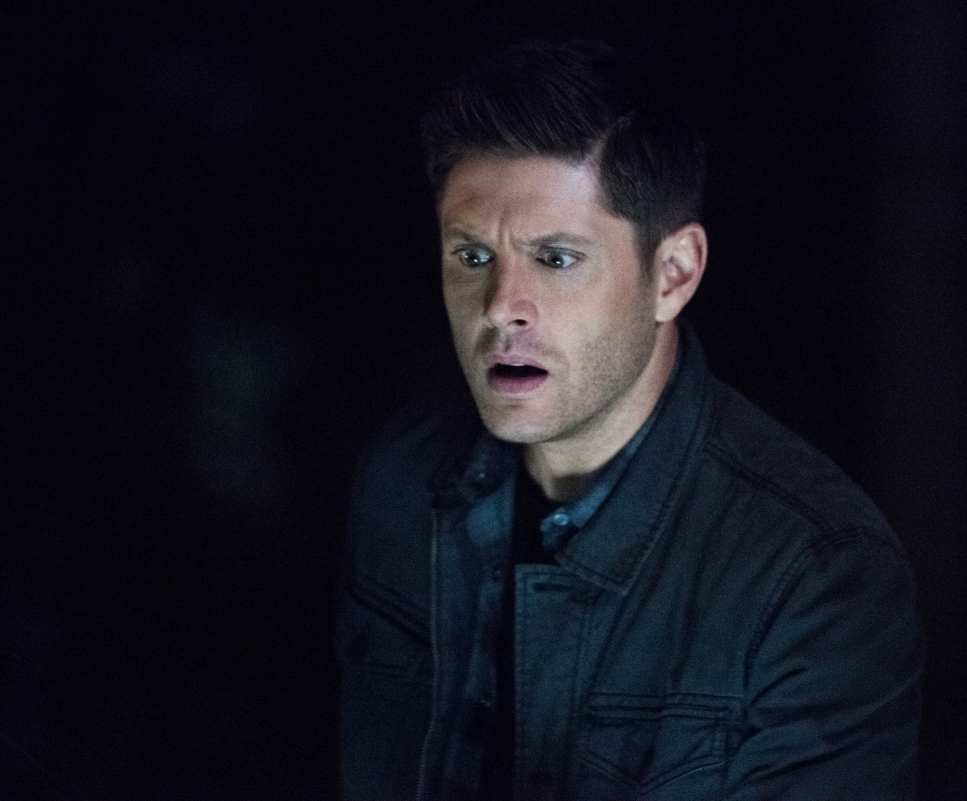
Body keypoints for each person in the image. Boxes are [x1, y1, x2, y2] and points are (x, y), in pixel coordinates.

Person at [336, 39, 924, 801]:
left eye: (556, 259)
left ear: (673, 274)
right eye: (473, 257)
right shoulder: (403, 478)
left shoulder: (815, 574)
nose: (501, 307)